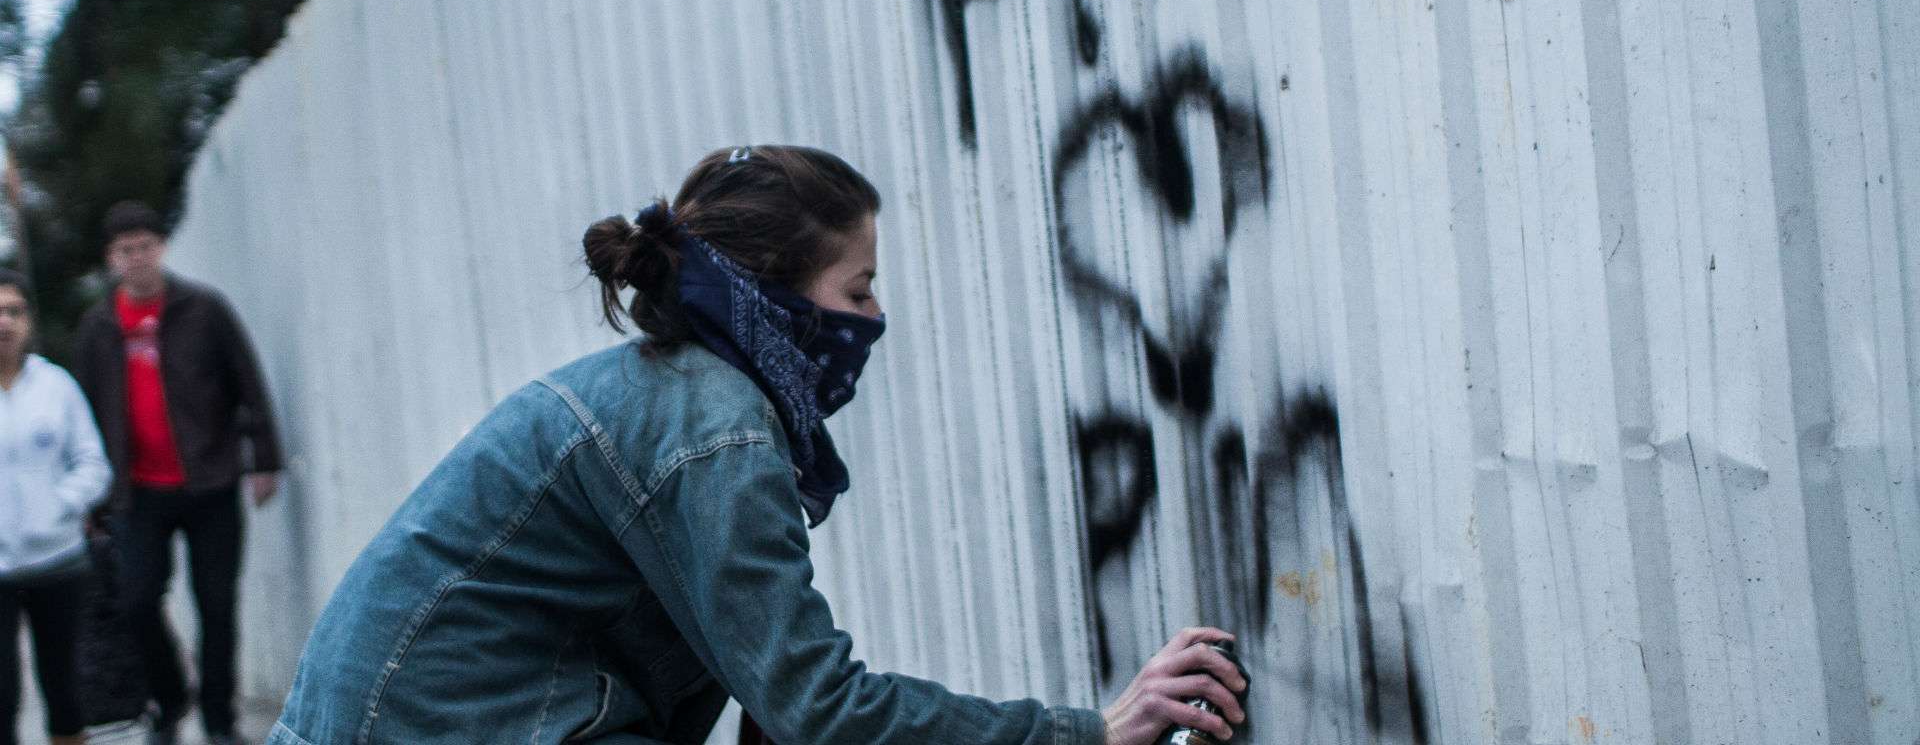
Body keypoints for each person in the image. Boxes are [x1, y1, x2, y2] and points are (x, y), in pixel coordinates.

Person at [268, 145, 1247, 745]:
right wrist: (1088, 734)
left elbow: (776, 691)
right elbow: (820, 706)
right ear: (774, 292)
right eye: (857, 288)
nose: (876, 317)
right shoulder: (715, 426)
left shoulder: (684, 394)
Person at [72, 202, 285, 745]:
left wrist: (264, 459)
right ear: (111, 260)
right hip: (136, 492)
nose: (137, 258)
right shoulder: (97, 329)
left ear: (161, 249)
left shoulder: (204, 309)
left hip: (210, 480)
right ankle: (169, 702)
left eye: (145, 246)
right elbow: (86, 415)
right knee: (139, 600)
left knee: (217, 604)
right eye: (126, 250)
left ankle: (220, 722)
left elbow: (248, 383)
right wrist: (93, 496)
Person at [0, 268, 112, 745]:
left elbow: (93, 463)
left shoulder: (56, 386)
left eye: (13, 311)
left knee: (64, 688)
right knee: (1, 693)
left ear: (28, 319)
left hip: (58, 560)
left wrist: (59, 504)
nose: (3, 322)